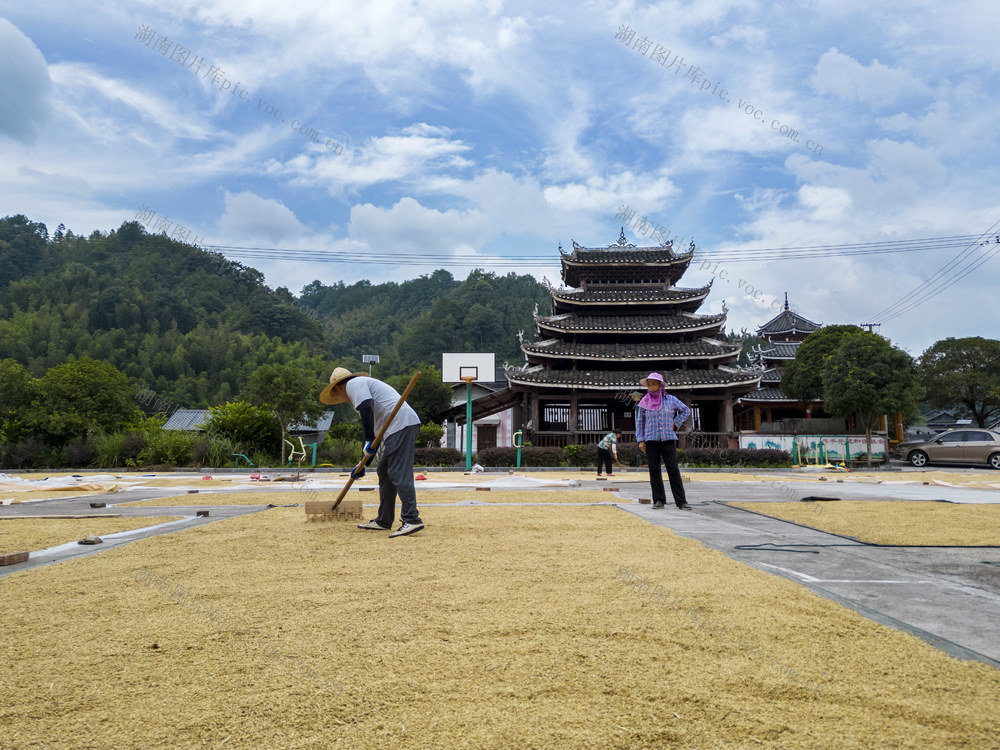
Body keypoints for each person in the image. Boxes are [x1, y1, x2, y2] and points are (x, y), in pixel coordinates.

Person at [320, 367, 424, 537]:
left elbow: (367, 411)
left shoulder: (354, 384)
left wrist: (369, 439)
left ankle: (411, 519)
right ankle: (384, 520)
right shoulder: (360, 390)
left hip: (401, 424)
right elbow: (373, 436)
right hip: (396, 428)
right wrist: (362, 463)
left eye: (337, 394)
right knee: (384, 471)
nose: (342, 399)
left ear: (338, 387)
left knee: (398, 471)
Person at [634, 372, 693, 510]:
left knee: (673, 469)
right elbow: (640, 423)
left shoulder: (671, 400)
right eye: (649, 384)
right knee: (654, 470)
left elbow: (685, 410)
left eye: (654, 384)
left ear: (660, 385)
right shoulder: (644, 403)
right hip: (651, 440)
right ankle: (659, 500)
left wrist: (676, 423)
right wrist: (640, 440)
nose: (651, 387)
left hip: (668, 439)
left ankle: (681, 501)